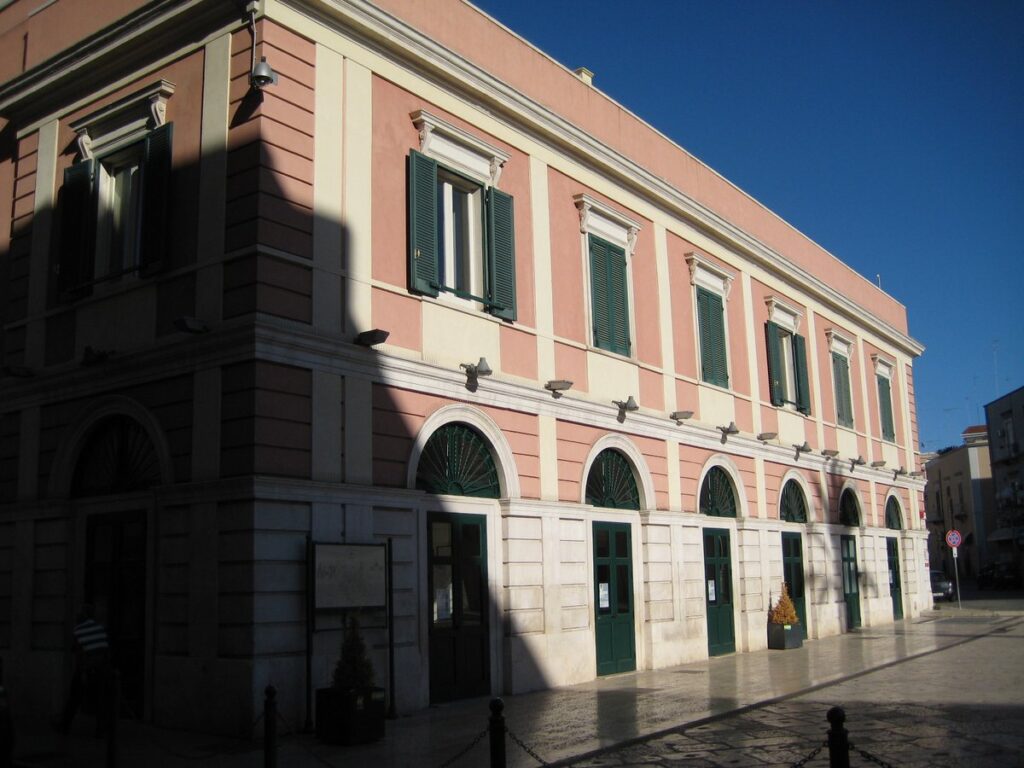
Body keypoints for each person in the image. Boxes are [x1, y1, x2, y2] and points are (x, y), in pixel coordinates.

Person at [56, 605, 111, 735]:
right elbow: (106, 650)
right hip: (101, 668)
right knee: (101, 699)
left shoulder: (78, 630)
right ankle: (101, 729)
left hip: (86, 668)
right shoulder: (100, 628)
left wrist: (82, 673)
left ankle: (64, 725)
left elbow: (78, 653)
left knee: (74, 697)